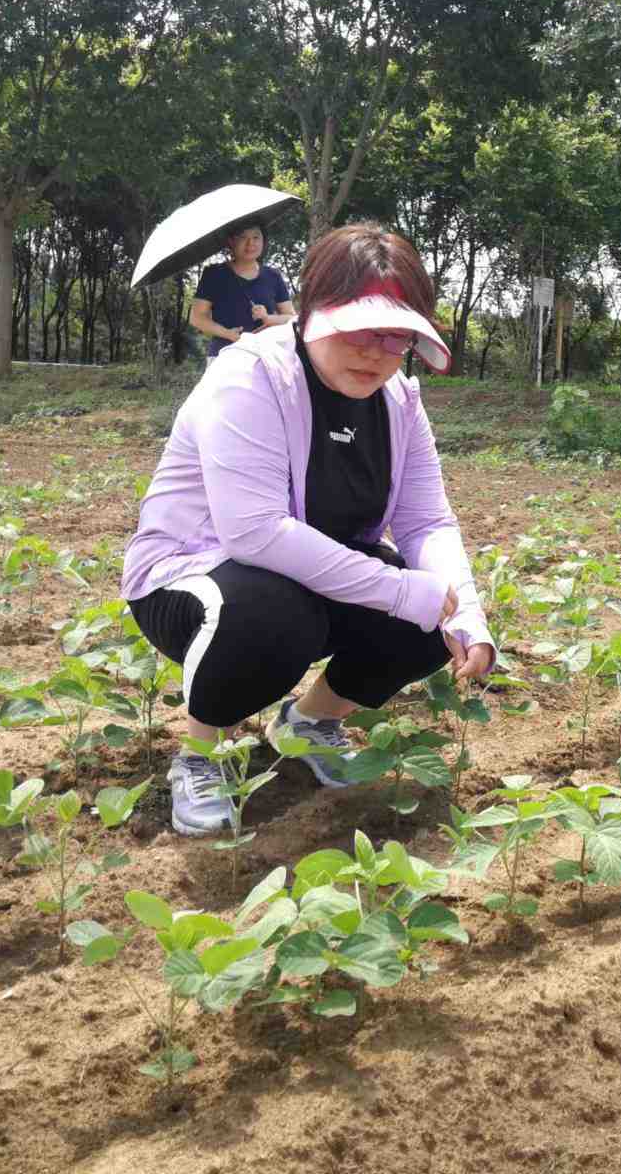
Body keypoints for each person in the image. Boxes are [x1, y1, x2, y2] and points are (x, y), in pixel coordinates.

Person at [121, 223, 495, 837]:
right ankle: (202, 754)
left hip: (311, 577)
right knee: (274, 609)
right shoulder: (249, 376)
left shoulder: (400, 400)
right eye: (359, 330)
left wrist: (464, 614)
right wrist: (402, 591)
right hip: (191, 579)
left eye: (396, 338)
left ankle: (307, 722)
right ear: (315, 313)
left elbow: (427, 519)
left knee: (433, 608)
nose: (376, 353)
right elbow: (254, 534)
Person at [188, 223, 294, 360]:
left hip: (265, 356)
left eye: (256, 237)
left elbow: (290, 317)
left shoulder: (273, 276)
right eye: (243, 237)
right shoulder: (214, 274)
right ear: (231, 241)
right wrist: (228, 334)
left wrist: (269, 318)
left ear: (263, 241)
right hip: (224, 355)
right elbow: (197, 318)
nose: (251, 243)